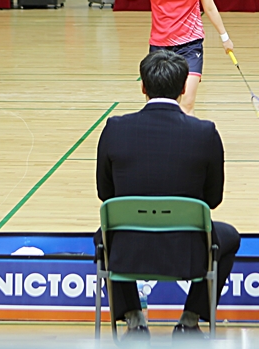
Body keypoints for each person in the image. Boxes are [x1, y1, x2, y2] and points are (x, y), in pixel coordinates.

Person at [95, 50, 240, 341]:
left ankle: (134, 320)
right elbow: (212, 200)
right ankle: (189, 320)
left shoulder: (114, 128)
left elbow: (105, 194)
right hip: (189, 251)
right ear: (184, 87)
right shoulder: (205, 132)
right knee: (230, 237)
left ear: (143, 87)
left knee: (104, 236)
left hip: (128, 250)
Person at [126, 0, 234, 115]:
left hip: (190, 45)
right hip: (160, 46)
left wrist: (225, 37)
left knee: (187, 103)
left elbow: (210, 8)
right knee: (157, 104)